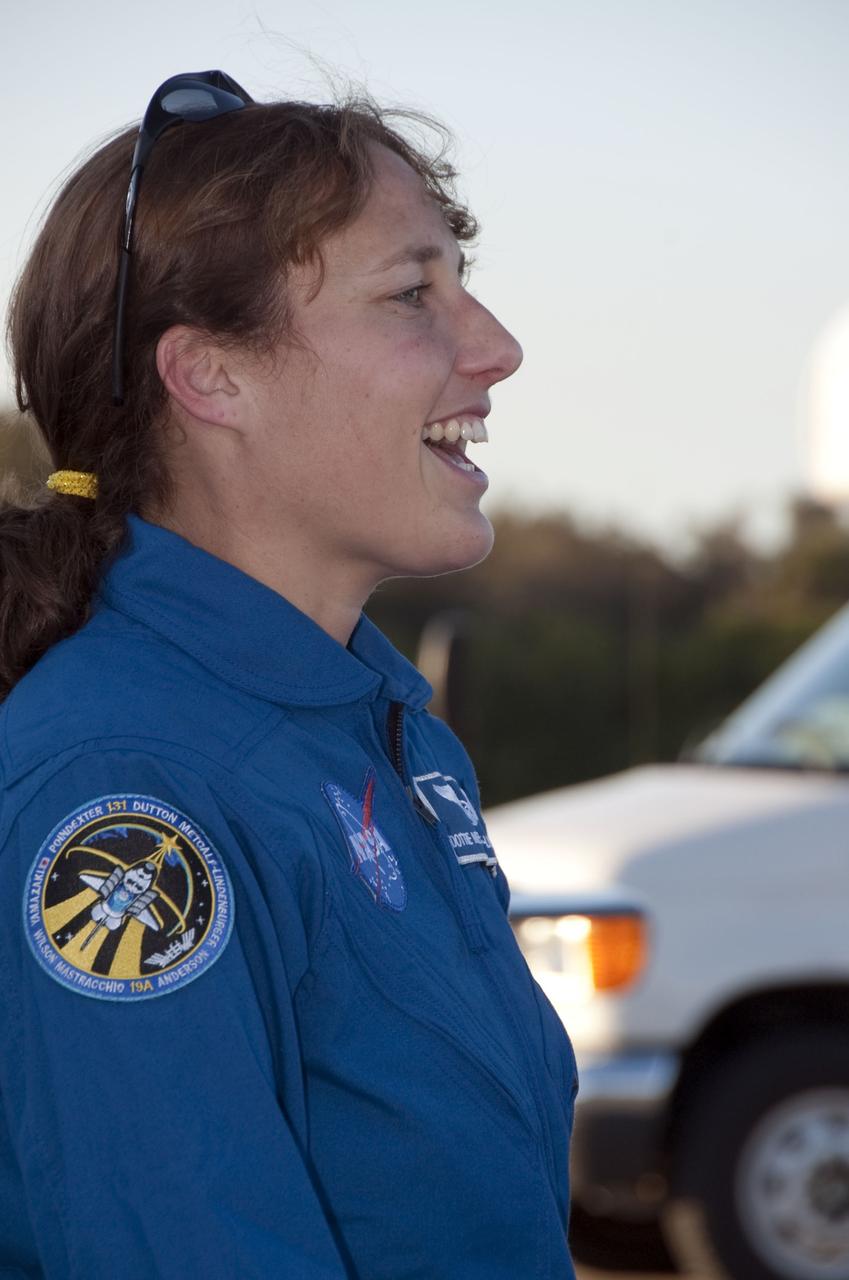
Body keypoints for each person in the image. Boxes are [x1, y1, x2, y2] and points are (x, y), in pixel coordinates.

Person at [0, 70, 578, 1278]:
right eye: (413, 292)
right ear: (212, 375)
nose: (497, 347)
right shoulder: (124, 789)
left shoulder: (379, 733)